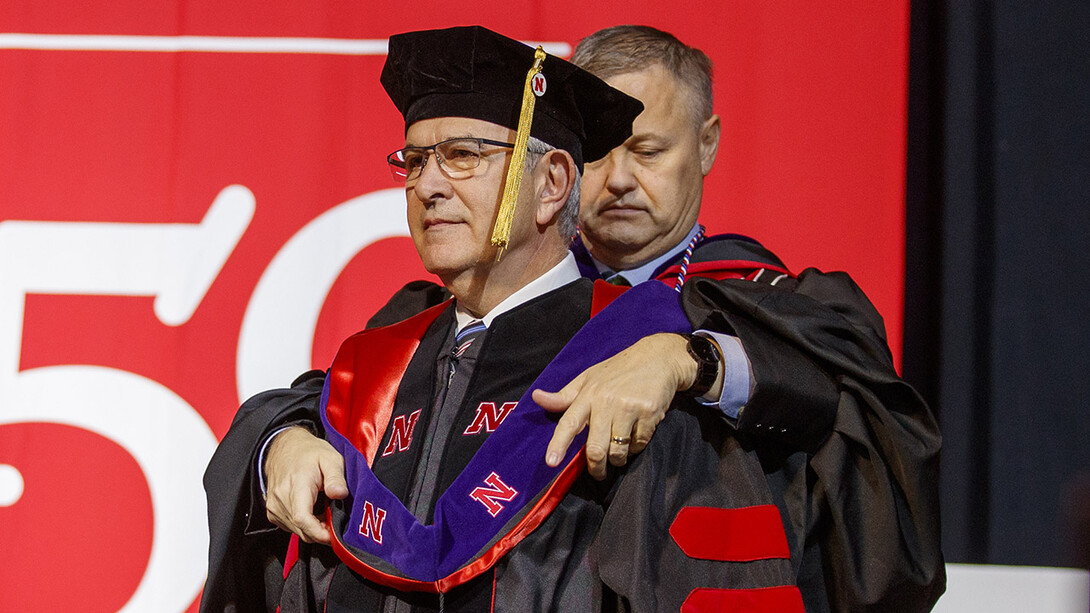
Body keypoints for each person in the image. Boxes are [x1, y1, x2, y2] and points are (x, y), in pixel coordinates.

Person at [202, 24, 946, 613]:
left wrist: (692, 360)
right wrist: (282, 440)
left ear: (708, 145)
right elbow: (329, 397)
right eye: (601, 154)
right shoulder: (439, 319)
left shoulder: (746, 306)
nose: (618, 177)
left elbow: (856, 419)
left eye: (648, 149)